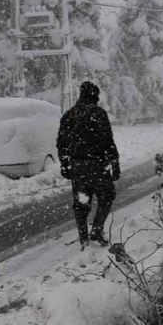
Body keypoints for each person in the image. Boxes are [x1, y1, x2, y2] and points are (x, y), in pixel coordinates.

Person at [57, 81, 120, 248]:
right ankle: (97, 230)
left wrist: (64, 164)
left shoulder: (69, 115)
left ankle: (83, 237)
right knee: (106, 196)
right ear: (94, 96)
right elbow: (108, 141)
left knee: (81, 202)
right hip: (97, 164)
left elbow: (61, 143)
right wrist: (115, 163)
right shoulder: (98, 114)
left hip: (77, 167)